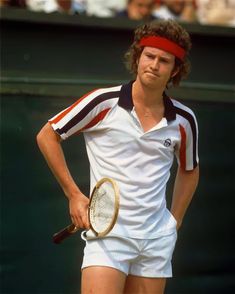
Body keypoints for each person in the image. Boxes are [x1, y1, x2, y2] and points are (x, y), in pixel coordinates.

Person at [37, 19, 199, 294]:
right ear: (137, 57)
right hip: (107, 237)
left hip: (156, 239)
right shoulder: (103, 102)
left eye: (164, 60)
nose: (154, 65)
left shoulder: (184, 120)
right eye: (149, 56)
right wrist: (74, 195)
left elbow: (190, 169)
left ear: (175, 70)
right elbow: (47, 135)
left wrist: (175, 221)